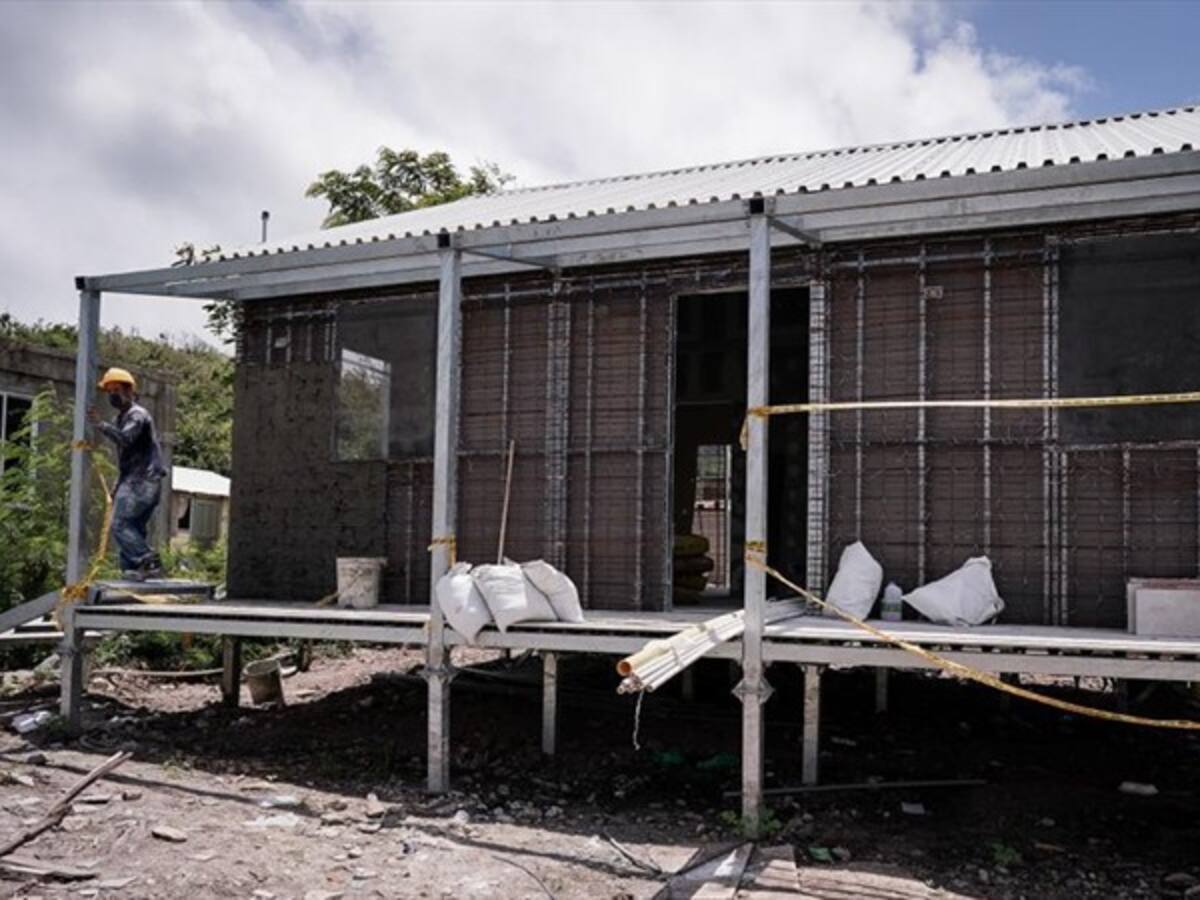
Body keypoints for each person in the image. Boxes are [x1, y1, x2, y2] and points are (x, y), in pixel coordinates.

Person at [87, 367, 167, 580]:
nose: (112, 395)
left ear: (130, 391)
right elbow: (127, 459)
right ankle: (135, 571)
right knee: (134, 528)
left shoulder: (137, 415)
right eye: (109, 391)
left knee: (120, 524)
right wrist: (118, 484)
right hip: (136, 480)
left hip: (143, 481)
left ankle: (148, 560)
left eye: (117, 390)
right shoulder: (120, 419)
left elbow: (126, 439)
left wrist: (100, 425)